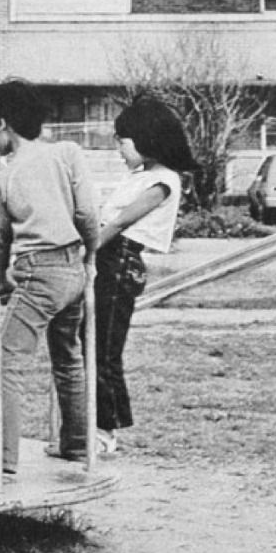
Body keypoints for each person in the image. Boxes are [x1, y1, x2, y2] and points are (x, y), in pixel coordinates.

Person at [0, 81, 100, 480]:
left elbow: (2, 242)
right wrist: (90, 256)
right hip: (73, 270)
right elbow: (88, 215)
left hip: (38, 272)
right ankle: (77, 444)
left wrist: (0, 282)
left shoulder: (3, 179)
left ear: (3, 125)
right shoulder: (67, 154)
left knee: (7, 360)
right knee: (68, 356)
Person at [91, 95, 198, 454]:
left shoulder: (163, 180)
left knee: (105, 349)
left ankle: (105, 430)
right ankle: (94, 423)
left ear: (146, 138)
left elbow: (121, 221)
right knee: (91, 343)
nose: (119, 150)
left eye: (123, 141)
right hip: (108, 260)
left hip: (120, 262)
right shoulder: (139, 176)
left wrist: (85, 250)